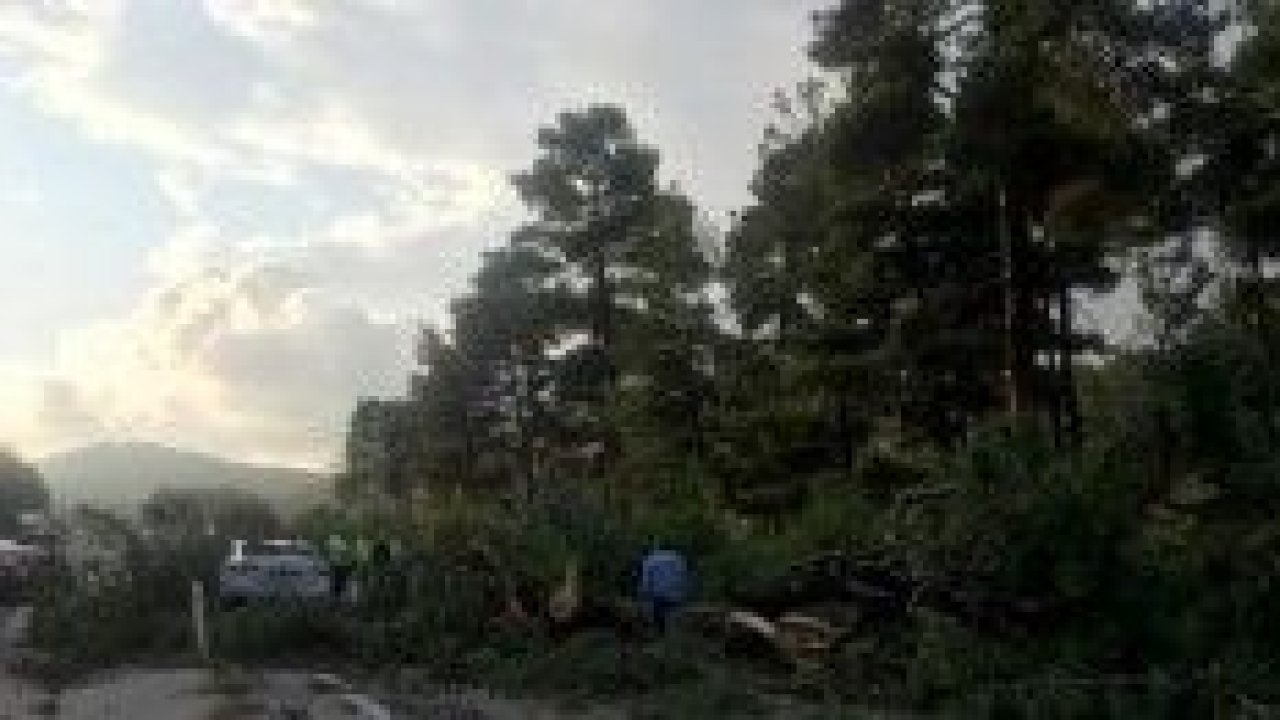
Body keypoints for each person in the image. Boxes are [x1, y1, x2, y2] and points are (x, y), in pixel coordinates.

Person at [637, 543, 690, 633]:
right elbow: (684, 576)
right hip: (676, 594)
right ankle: (672, 635)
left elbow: (646, 581)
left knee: (658, 616)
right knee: (673, 617)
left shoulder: (650, 559)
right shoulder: (678, 558)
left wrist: (643, 595)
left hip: (658, 595)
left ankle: (659, 633)